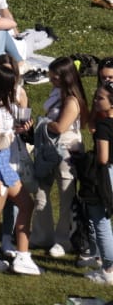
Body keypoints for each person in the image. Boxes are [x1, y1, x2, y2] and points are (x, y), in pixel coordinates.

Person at [0, 57, 41, 275]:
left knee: (24, 205)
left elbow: (2, 138)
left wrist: (18, 131)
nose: (16, 88)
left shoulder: (2, 109)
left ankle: (18, 255)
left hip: (2, 164)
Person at [31, 56, 89, 257]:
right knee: (40, 191)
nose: (51, 80)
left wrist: (42, 122)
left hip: (66, 152)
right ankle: (41, 235)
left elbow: (60, 126)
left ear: (66, 77)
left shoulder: (72, 100)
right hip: (48, 150)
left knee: (66, 197)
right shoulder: (57, 92)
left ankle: (63, 240)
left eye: (55, 77)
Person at [79, 78, 113, 284]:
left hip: (104, 176)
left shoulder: (104, 127)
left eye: (100, 98)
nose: (95, 100)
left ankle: (109, 268)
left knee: (101, 222)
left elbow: (102, 157)